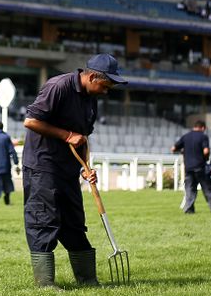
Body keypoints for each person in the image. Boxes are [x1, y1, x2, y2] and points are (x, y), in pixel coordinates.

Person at [22, 53, 127, 287]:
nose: (107, 90)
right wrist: (67, 135)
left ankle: (88, 279)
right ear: (91, 77)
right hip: (42, 165)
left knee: (74, 222)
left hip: (68, 169)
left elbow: (84, 138)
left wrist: (86, 169)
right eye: (106, 84)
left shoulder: (91, 98)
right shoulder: (57, 87)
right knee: (44, 220)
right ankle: (45, 284)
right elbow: (31, 121)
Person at [171, 120, 211, 214]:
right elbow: (205, 151)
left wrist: (183, 152)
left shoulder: (185, 137)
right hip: (200, 166)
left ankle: (189, 209)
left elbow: (173, 149)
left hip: (188, 167)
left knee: (190, 188)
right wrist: (205, 157)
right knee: (207, 188)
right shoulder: (203, 136)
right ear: (203, 128)